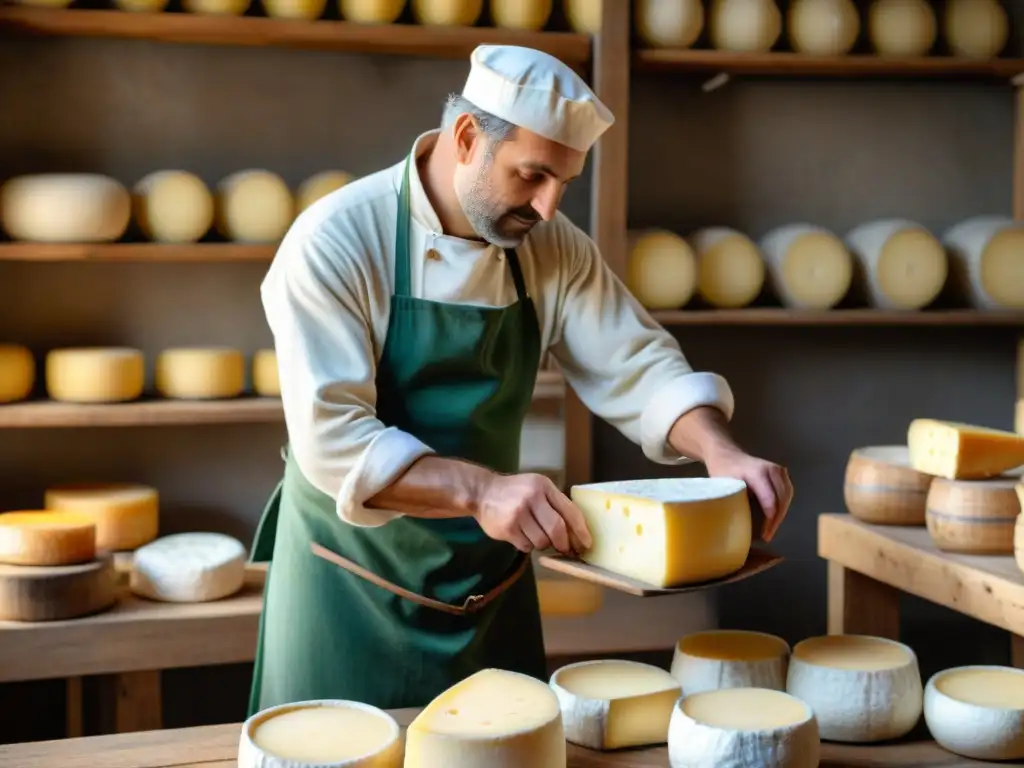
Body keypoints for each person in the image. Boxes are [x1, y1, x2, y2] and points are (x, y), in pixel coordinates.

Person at [247, 43, 794, 715]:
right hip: (348, 584)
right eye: (532, 175)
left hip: (487, 582)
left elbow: (636, 361)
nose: (546, 206)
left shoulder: (548, 243)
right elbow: (332, 439)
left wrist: (718, 448)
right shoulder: (334, 241)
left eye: (564, 183)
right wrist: (481, 490)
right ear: (468, 138)